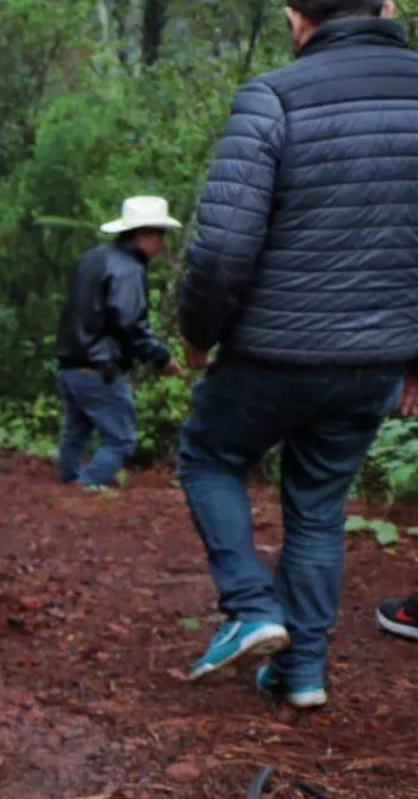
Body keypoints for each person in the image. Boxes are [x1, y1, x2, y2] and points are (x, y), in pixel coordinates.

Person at [176, 0, 418, 710]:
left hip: (271, 354)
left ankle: (251, 608)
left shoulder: (274, 96)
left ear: (293, 16)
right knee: (318, 507)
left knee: (208, 456)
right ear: (388, 6)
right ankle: (301, 671)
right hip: (373, 360)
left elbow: (221, 248)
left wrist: (198, 332)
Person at [53, 196, 185, 489]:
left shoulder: (91, 259)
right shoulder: (128, 269)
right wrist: (161, 357)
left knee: (76, 431)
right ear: (143, 234)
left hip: (70, 364)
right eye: (160, 235)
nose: (163, 243)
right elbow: (130, 323)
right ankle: (84, 488)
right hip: (99, 367)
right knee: (121, 438)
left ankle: (65, 487)